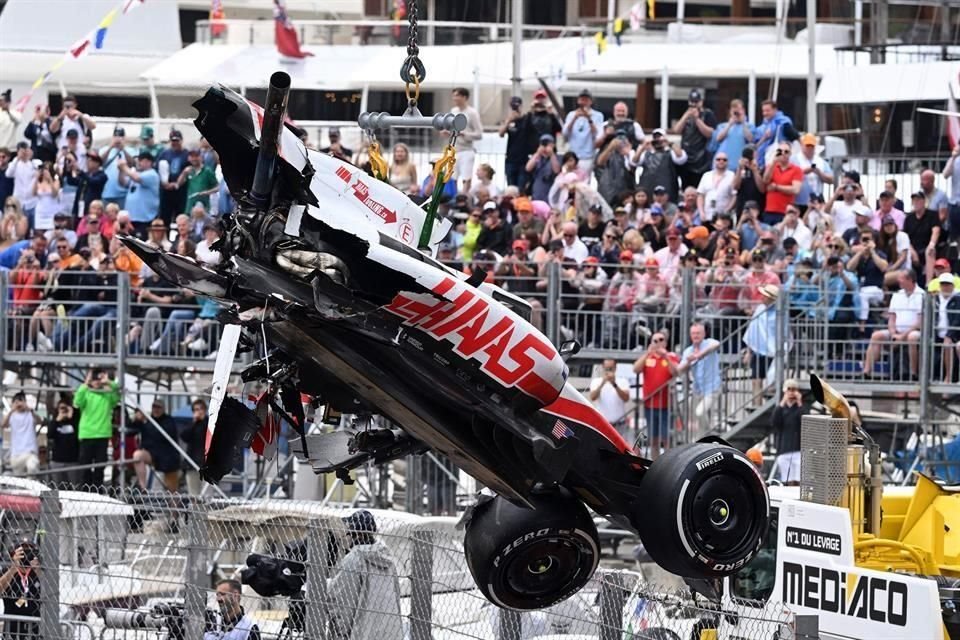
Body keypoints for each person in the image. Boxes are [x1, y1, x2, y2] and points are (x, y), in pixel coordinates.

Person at [328, 510, 402, 640]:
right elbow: (396, 595)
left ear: (358, 535)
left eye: (350, 534)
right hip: (391, 632)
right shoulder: (389, 560)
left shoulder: (354, 559)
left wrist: (341, 633)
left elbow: (342, 600)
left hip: (362, 633)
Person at [864, 270, 925, 379]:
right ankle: (866, 372)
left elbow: (920, 322)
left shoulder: (922, 295)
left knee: (912, 337)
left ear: (910, 280)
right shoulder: (897, 295)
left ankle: (913, 372)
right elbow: (892, 318)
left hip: (915, 331)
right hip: (897, 332)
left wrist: (903, 336)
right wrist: (893, 334)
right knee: (876, 336)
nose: (898, 281)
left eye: (901, 278)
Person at [73, 367, 121, 488]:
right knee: (85, 468)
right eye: (94, 379)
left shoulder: (107, 394)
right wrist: (86, 383)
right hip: (87, 434)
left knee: (100, 468)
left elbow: (118, 395)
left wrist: (108, 382)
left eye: (98, 379)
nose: (97, 381)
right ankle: (84, 494)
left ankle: (97, 493)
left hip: (102, 435)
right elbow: (77, 402)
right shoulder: (86, 393)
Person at [634, 333, 679, 459]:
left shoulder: (671, 356)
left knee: (667, 439)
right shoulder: (648, 357)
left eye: (661, 340)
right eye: (655, 340)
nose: (658, 342)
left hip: (666, 405)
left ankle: (668, 463)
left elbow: (675, 372)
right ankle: (655, 463)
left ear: (665, 343)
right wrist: (648, 352)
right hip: (650, 405)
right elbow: (636, 369)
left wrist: (665, 357)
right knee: (653, 439)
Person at [679, 323, 722, 437]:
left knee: (700, 412)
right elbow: (679, 370)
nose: (695, 336)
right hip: (697, 390)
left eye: (698, 333)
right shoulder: (688, 351)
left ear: (704, 334)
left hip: (712, 387)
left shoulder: (709, 343)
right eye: (693, 333)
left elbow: (717, 344)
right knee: (693, 414)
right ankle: (703, 439)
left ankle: (710, 434)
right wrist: (688, 362)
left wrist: (700, 355)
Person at [743, 284, 782, 406]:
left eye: (765, 296)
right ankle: (756, 406)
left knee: (772, 383)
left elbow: (783, 333)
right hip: (758, 350)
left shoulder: (779, 312)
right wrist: (749, 351)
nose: (762, 297)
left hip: (773, 351)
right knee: (756, 380)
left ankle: (773, 407)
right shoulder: (760, 309)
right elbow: (753, 330)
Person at [671, 89, 717, 189]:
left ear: (701, 102)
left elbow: (709, 134)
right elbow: (676, 130)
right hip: (687, 157)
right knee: (686, 186)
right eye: (692, 102)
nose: (694, 105)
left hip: (702, 158)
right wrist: (686, 116)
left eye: (696, 102)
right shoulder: (686, 114)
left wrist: (697, 119)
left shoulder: (708, 114)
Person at [131, 402, 181, 493]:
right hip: (152, 455)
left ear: (163, 409)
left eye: (159, 407)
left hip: (168, 459)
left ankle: (174, 504)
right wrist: (137, 420)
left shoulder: (169, 420)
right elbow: (129, 432)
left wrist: (145, 422)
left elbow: (161, 434)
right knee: (137, 455)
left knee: (172, 492)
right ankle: (143, 488)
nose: (156, 409)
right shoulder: (147, 421)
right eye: (154, 407)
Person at [0, 543, 41, 640]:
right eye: (23, 552)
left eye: (29, 552)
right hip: (12, 626)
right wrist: (14, 566)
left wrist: (38, 567)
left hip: (34, 627)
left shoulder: (36, 572)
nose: (26, 555)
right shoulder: (8, 571)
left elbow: (49, 592)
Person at [634, 129, 687, 203]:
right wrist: (643, 147)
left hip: (668, 189)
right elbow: (634, 162)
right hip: (648, 188)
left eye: (659, 137)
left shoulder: (671, 153)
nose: (657, 140)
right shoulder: (646, 154)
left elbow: (681, 158)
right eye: (655, 138)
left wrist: (669, 143)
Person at [445, 88, 483, 193]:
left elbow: (479, 134)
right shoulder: (453, 111)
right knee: (452, 177)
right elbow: (451, 129)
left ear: (464, 97)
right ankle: (453, 199)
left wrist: (464, 134)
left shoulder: (472, 113)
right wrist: (447, 132)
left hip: (467, 150)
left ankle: (464, 199)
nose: (454, 98)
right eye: (454, 96)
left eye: (457, 95)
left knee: (466, 178)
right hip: (454, 150)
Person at [770, 379, 805, 483]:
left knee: (798, 480)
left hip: (798, 450)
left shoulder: (799, 408)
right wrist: (782, 403)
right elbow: (775, 422)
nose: (791, 392)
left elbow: (804, 421)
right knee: (787, 480)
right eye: (789, 390)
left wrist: (799, 402)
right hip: (784, 449)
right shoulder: (781, 409)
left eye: (793, 390)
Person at [562, 89, 605, 173]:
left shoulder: (598, 115)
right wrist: (574, 118)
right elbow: (565, 133)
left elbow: (597, 135)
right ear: (578, 101)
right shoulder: (571, 115)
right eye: (582, 99)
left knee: (583, 182)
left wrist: (589, 118)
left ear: (591, 102)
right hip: (572, 155)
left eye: (586, 100)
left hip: (587, 156)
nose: (584, 102)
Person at [119, 151, 161, 236]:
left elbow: (136, 178)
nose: (139, 163)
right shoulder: (136, 173)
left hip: (144, 219)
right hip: (131, 218)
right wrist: (121, 171)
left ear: (149, 162)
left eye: (142, 160)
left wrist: (124, 167)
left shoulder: (152, 174)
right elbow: (122, 183)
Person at [761, 142, 802, 225]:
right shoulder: (771, 166)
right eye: (780, 151)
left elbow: (796, 190)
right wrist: (773, 162)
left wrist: (776, 187)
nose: (783, 154)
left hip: (786, 212)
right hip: (769, 211)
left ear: (790, 154)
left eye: (786, 151)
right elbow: (765, 180)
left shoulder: (796, 170)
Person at [588, 359, 630, 436]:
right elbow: (593, 397)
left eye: (611, 368)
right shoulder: (596, 381)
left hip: (619, 424)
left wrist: (614, 384)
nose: (608, 371)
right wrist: (602, 383)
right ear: (603, 368)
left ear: (615, 368)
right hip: (602, 424)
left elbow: (626, 398)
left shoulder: (623, 381)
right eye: (606, 368)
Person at [2, 392, 39, 476]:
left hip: (30, 452)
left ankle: (32, 488)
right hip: (16, 454)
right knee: (18, 478)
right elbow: (3, 425)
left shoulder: (30, 414)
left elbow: (40, 420)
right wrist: (12, 410)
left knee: (32, 468)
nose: (19, 404)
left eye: (21, 401)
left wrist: (30, 409)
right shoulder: (12, 415)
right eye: (16, 401)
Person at [792, 133, 833, 209]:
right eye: (807, 146)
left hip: (817, 202)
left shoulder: (821, 161)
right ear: (802, 146)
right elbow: (788, 176)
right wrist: (804, 171)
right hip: (799, 202)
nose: (809, 148)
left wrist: (819, 173)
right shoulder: (794, 160)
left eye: (812, 146)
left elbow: (831, 179)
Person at [47, 399, 81, 489]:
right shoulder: (55, 422)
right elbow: (49, 435)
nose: (64, 410)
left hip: (73, 461)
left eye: (66, 408)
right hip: (57, 461)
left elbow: (80, 435)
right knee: (58, 488)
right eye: (61, 408)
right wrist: (57, 420)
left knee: (75, 488)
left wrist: (71, 416)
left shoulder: (76, 422)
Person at [695, 152, 735, 222]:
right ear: (714, 161)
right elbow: (700, 195)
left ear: (728, 162)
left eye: (724, 160)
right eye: (718, 159)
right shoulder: (706, 175)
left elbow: (734, 196)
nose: (721, 161)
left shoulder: (732, 176)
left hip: (723, 218)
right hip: (707, 216)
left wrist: (726, 210)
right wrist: (701, 212)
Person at [755, 99, 794, 169]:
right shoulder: (761, 127)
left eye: (767, 110)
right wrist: (764, 138)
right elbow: (756, 146)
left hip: (778, 164)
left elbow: (793, 136)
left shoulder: (783, 122)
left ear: (775, 110)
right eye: (763, 111)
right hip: (762, 164)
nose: (765, 113)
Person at [177, 148, 219, 214]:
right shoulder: (188, 170)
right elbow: (178, 184)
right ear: (188, 158)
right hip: (190, 205)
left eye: (196, 156)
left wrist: (207, 192)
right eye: (192, 156)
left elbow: (218, 187)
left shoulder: (207, 171)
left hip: (204, 205)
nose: (194, 158)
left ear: (201, 157)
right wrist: (184, 173)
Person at [935, 274, 960, 382]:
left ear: (953, 285)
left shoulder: (958, 298)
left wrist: (949, 335)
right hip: (937, 333)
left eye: (948, 284)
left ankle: (948, 377)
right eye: (943, 284)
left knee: (948, 344)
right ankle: (923, 377)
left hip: (955, 334)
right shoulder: (934, 298)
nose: (945, 287)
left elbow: (957, 320)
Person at [525, 134, 560, 202]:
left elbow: (556, 170)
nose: (545, 146)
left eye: (548, 143)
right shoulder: (537, 157)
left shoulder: (557, 157)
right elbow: (528, 168)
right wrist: (538, 153)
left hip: (550, 190)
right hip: (537, 190)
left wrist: (551, 154)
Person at [944, 144, 960, 241]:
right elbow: (945, 174)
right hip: (955, 203)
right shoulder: (954, 160)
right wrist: (953, 157)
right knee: (955, 234)